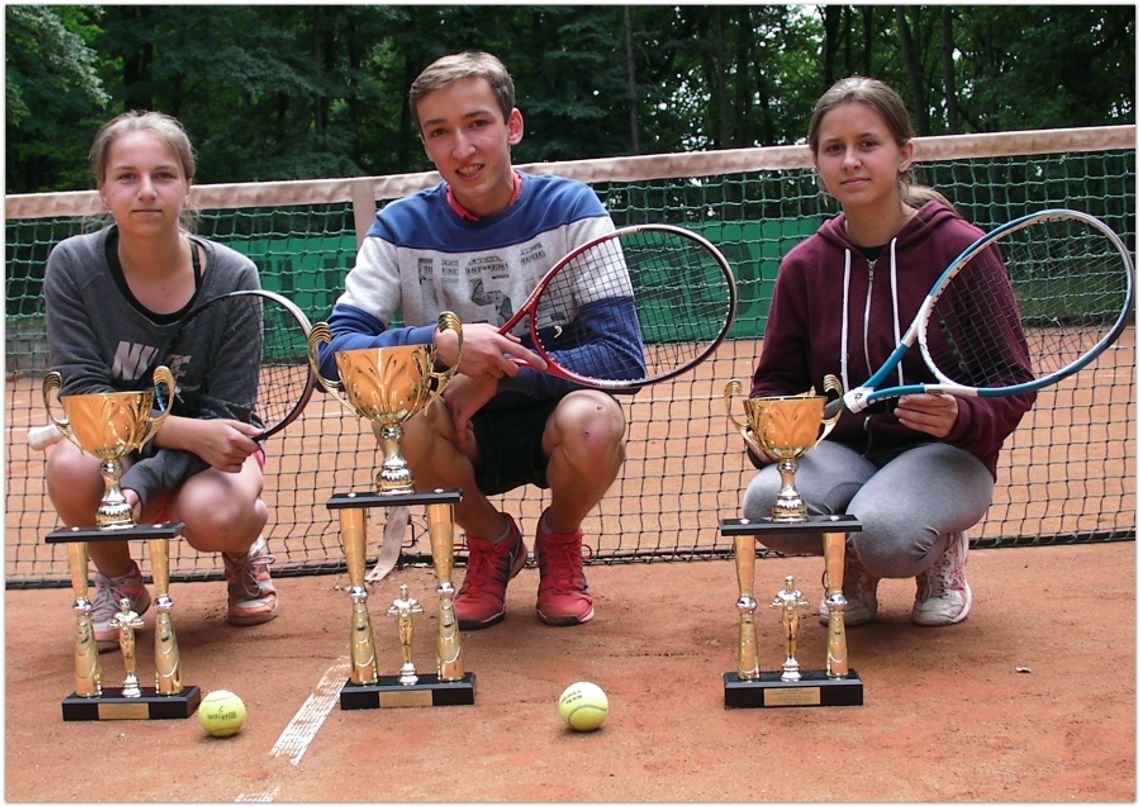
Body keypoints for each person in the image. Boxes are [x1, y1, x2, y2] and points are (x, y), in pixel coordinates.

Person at [317, 51, 628, 629]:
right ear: (426, 145)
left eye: (478, 123)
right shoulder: (399, 229)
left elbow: (621, 357)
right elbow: (333, 354)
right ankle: (492, 543)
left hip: (557, 413)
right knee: (403, 417)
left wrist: (494, 372)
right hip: (462, 430)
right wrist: (441, 347)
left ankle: (560, 539)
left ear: (512, 126)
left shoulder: (573, 210)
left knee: (597, 421)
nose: (462, 148)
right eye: (440, 132)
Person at [741, 76, 1034, 627]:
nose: (851, 161)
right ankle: (850, 558)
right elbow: (775, 380)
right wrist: (772, 427)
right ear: (818, 163)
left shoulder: (962, 250)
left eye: (868, 144)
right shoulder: (804, 266)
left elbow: (1011, 376)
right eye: (835, 148)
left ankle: (938, 549)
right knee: (766, 507)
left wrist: (962, 416)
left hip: (946, 455)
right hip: (845, 451)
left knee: (888, 532)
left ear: (904, 154)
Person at [44, 110, 279, 652]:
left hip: (215, 453)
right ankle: (120, 580)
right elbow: (84, 397)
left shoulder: (234, 276)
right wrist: (178, 435)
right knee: (70, 463)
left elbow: (225, 415)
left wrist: (142, 485)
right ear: (103, 189)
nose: (146, 191)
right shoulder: (73, 266)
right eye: (126, 176)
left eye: (163, 175)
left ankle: (243, 548)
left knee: (212, 515)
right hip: (117, 446)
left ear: (187, 183)